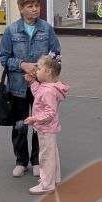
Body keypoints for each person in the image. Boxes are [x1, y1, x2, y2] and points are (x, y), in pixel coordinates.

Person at [0, 0, 62, 177]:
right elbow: (3, 58)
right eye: (30, 6)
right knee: (19, 125)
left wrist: (43, 68)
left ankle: (36, 161)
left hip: (42, 88)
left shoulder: (47, 29)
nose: (35, 9)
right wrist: (22, 65)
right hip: (17, 87)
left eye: (37, 5)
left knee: (40, 125)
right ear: (21, 8)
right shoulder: (11, 30)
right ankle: (21, 161)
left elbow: (56, 54)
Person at [24, 56, 68, 195]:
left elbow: (50, 113)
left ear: (48, 71)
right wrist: (33, 82)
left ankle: (47, 184)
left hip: (46, 128)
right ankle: (54, 179)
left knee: (45, 157)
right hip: (48, 128)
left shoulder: (49, 91)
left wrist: (34, 119)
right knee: (51, 154)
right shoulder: (47, 87)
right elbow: (38, 94)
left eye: (39, 68)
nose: (36, 70)